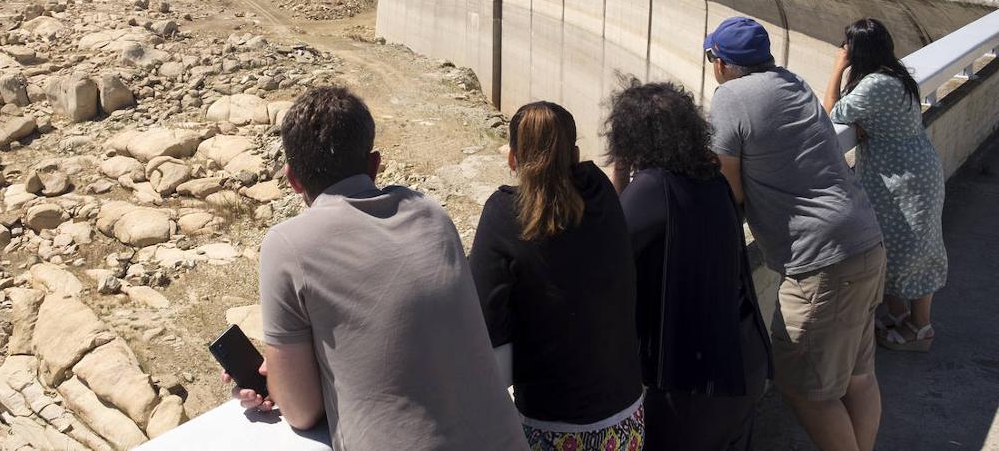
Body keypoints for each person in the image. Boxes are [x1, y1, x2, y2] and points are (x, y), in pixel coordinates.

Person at [226, 85, 527, 451]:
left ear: (292, 180)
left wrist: (278, 380)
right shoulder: (431, 213)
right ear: (374, 165)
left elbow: (301, 411)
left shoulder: (287, 246)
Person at [704, 16, 887, 451]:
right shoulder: (792, 82)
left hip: (821, 262)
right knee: (858, 377)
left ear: (725, 64)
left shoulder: (730, 96)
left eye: (713, 57)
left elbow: (727, 186)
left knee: (804, 389)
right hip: (864, 240)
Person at [606, 79, 772, 450]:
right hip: (743, 360)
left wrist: (619, 174)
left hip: (696, 384)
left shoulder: (652, 188)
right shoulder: (712, 179)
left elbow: (608, 249)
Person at [469, 101, 645, 451]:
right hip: (626, 420)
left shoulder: (504, 214)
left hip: (552, 428)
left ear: (512, 160)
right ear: (576, 154)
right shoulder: (601, 190)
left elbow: (483, 319)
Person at [824, 18, 946, 352]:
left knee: (915, 250)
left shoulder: (876, 84)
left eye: (847, 47)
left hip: (904, 179)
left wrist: (836, 68)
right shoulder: (895, 74)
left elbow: (832, 113)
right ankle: (898, 316)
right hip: (908, 172)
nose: (843, 51)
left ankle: (921, 329)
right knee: (900, 246)